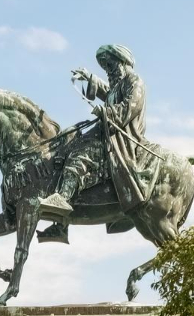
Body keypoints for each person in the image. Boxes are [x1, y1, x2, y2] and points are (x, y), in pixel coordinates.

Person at [38, 44, 151, 241]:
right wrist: (89, 78)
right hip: (107, 130)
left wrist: (106, 112)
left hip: (121, 136)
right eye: (106, 66)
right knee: (68, 141)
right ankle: (60, 224)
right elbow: (108, 92)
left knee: (81, 155)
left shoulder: (134, 81)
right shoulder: (119, 84)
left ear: (122, 62)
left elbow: (129, 108)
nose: (108, 69)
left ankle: (62, 199)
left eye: (110, 64)